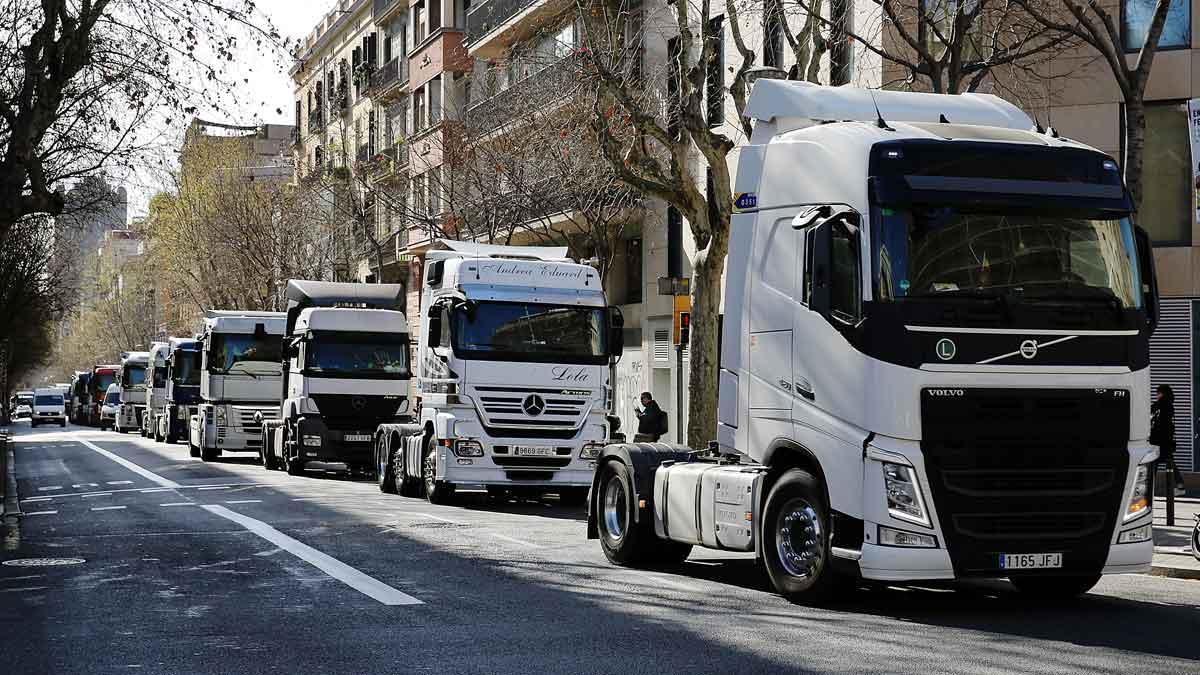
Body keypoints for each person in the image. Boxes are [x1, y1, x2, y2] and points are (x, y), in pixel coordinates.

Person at [1150, 384, 1186, 497]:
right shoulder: (1167, 405)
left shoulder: (1163, 405)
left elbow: (1161, 423)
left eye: (1158, 392)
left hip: (1161, 441)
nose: (1157, 394)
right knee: (1164, 463)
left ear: (1163, 393)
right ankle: (1180, 486)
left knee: (1153, 463)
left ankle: (1149, 489)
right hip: (1164, 441)